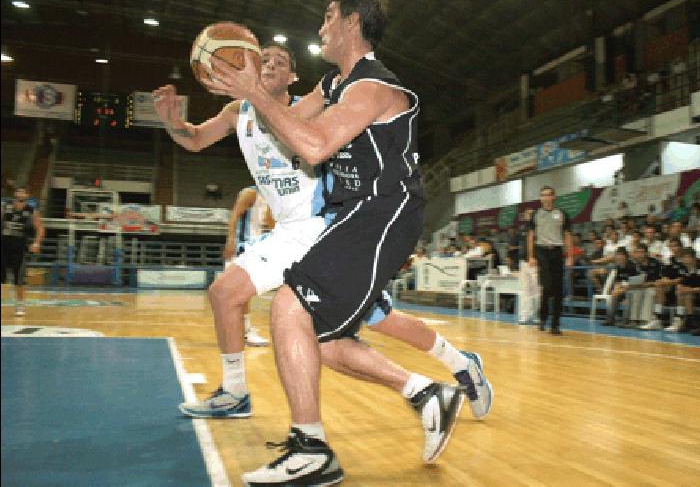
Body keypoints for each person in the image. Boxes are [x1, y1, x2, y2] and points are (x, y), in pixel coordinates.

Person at [156, 33, 488, 484]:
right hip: (286, 233)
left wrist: (251, 89)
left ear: (291, 76)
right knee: (236, 298)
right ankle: (241, 393)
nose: (268, 64)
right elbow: (194, 141)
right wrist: (174, 122)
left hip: (323, 226)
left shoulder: (307, 107)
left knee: (355, 326)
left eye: (276, 61)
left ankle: (453, 368)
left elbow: (314, 141)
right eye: (262, 59)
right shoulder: (239, 113)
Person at [223, 186, 273, 347]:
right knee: (240, 293)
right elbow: (234, 216)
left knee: (243, 293)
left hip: (256, 248)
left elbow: (270, 223)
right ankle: (245, 332)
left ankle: (241, 331)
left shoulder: (270, 197)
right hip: (242, 247)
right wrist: (230, 241)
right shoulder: (250, 193)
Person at [527, 185, 573, 334]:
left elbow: (567, 236)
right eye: (542, 195)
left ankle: (555, 325)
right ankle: (543, 317)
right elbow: (531, 236)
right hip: (542, 251)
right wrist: (531, 256)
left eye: (548, 195)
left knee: (558, 289)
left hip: (557, 252)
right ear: (540, 198)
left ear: (553, 197)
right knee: (546, 286)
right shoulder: (535, 214)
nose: (545, 198)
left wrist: (570, 255)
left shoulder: (562, 214)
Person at [1, 186, 44, 317]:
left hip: (19, 247)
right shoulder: (5, 207)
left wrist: (36, 242)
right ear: (15, 194)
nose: (20, 194)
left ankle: (20, 305)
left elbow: (40, 228)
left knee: (18, 279)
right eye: (18, 191)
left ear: (27, 195)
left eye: (23, 192)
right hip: (3, 245)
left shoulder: (32, 211)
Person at [602, 247, 641, 327]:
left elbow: (633, 283)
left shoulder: (632, 266)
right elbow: (618, 281)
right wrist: (616, 290)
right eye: (617, 255)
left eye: (621, 255)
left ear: (626, 256)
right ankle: (610, 319)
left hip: (634, 289)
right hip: (623, 289)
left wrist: (622, 290)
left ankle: (625, 320)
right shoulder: (618, 267)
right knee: (614, 295)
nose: (619, 257)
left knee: (628, 297)